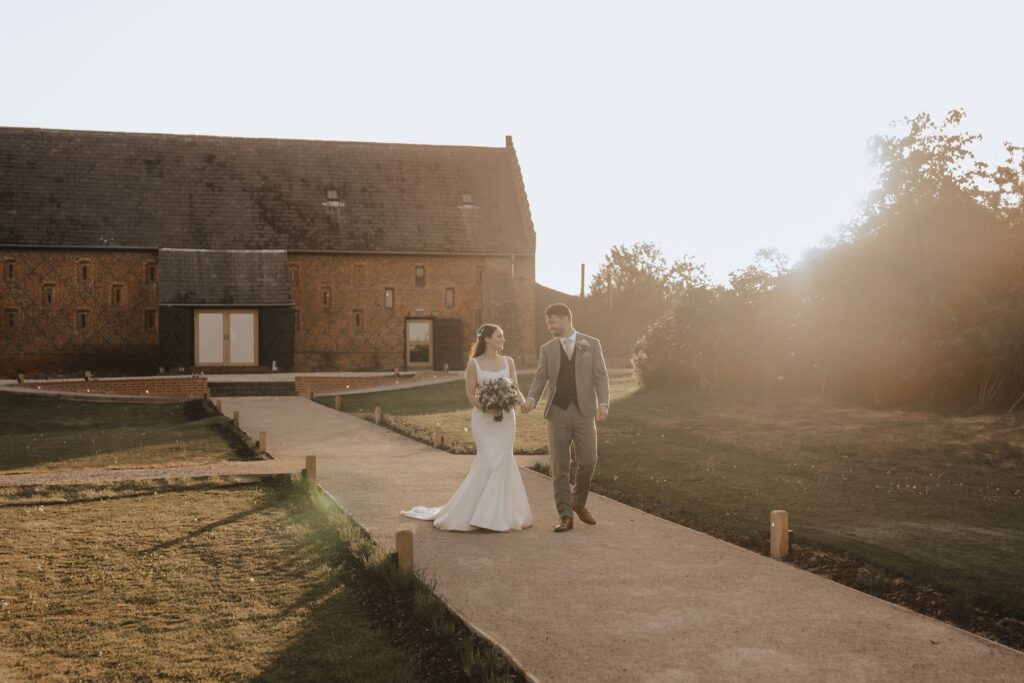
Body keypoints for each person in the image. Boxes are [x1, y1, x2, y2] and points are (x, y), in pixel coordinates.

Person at [402, 324, 533, 532]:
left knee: (503, 461)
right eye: (499, 336)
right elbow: (472, 395)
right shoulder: (474, 364)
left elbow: (515, 388)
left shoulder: (509, 362)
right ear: (487, 339)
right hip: (483, 420)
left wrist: (523, 403)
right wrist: (488, 409)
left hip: (506, 420)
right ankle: (480, 514)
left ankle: (497, 516)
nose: (503, 339)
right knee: (489, 460)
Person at [523, 303, 610, 532]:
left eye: (551, 321)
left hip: (584, 412)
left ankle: (578, 502)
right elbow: (541, 378)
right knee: (559, 465)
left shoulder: (591, 344)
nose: (549, 326)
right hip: (557, 412)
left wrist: (603, 403)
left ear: (564, 319)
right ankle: (565, 516)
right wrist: (532, 399)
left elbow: (600, 377)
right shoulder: (547, 349)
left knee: (588, 460)